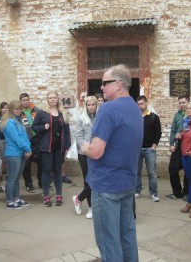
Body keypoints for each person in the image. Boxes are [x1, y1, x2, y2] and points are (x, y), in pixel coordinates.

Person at [81, 64, 143, 262]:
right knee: (127, 234)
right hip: (127, 183)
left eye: (105, 83)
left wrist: (82, 146)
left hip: (106, 184)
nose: (101, 87)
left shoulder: (107, 109)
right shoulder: (135, 107)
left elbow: (96, 151)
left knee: (109, 241)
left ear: (118, 84)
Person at [32, 91, 71, 207]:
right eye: (50, 98)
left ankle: (59, 196)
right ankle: (46, 196)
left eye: (54, 97)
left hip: (58, 148)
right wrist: (43, 127)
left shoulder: (62, 113)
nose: (53, 99)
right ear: (47, 99)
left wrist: (67, 146)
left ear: (58, 99)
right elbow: (34, 127)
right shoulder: (42, 113)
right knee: (46, 171)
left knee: (58, 172)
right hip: (46, 148)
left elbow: (67, 132)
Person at [0, 100, 32, 210]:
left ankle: (17, 199)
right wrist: (27, 148)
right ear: (11, 110)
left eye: (20, 109)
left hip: (21, 153)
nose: (19, 111)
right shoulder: (9, 122)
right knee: (12, 179)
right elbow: (16, 139)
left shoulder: (17, 121)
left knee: (17, 178)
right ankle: (9, 201)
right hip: (13, 154)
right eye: (16, 109)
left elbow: (24, 136)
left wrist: (28, 148)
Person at [73, 95, 98, 219]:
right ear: (86, 106)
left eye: (93, 104)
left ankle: (78, 198)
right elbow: (79, 136)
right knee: (88, 180)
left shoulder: (100, 117)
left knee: (96, 179)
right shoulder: (81, 118)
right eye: (89, 105)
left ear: (96, 105)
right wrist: (86, 148)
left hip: (98, 153)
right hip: (84, 154)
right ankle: (91, 208)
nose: (91, 107)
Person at [135, 95, 161, 202]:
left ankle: (154, 193)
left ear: (146, 103)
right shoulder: (135, 117)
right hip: (137, 149)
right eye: (138, 104)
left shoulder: (153, 117)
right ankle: (137, 191)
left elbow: (158, 132)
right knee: (136, 171)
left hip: (149, 149)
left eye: (142, 103)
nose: (140, 106)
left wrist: (154, 145)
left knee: (152, 173)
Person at [164, 95, 190, 200]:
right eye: (179, 103)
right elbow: (173, 130)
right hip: (178, 145)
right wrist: (171, 144)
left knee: (188, 170)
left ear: (188, 102)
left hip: (188, 145)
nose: (181, 105)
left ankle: (187, 192)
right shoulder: (177, 115)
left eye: (183, 102)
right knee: (173, 169)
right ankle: (177, 192)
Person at [19, 93, 41, 192]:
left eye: (27, 99)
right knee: (26, 164)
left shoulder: (36, 110)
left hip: (37, 139)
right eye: (24, 100)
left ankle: (42, 182)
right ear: (20, 101)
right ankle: (29, 184)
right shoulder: (18, 112)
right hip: (25, 140)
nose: (26, 101)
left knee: (41, 162)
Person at [0, 102, 8, 178]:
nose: (5, 109)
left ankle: (8, 174)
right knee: (1, 157)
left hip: (8, 140)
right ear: (0, 109)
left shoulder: (10, 117)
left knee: (8, 157)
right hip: (0, 139)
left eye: (6, 108)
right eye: (3, 108)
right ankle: (0, 173)